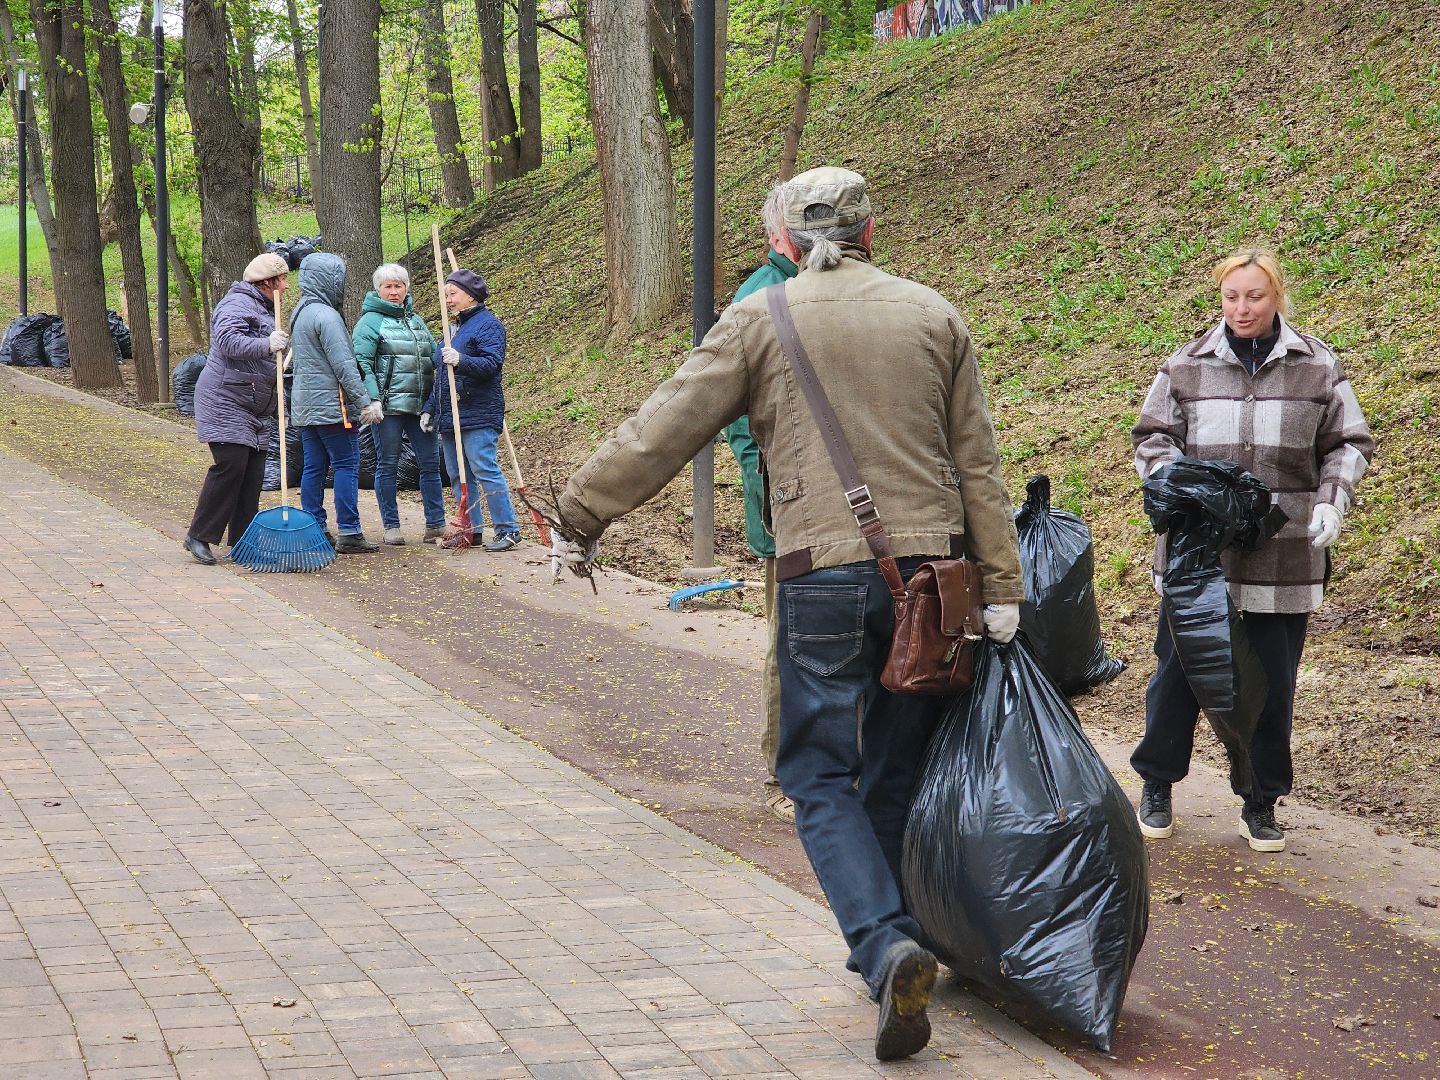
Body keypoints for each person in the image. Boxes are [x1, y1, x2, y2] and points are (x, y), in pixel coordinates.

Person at [549, 168, 1024, 1061]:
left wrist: (580, 514)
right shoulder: (935, 315)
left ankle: (884, 945)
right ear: (871, 231)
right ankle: (896, 938)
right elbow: (979, 466)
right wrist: (1003, 590)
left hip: (820, 576)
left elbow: (665, 425)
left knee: (814, 773)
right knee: (893, 768)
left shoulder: (761, 318)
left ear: (787, 240)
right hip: (934, 580)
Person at [1131, 248, 1373, 852]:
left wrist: (1330, 499)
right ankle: (1158, 783)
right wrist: (1176, 483)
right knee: (1179, 673)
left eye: (1255, 296)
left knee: (1271, 680)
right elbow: (1152, 439)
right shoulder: (1186, 366)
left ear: (1277, 297)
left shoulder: (1317, 365)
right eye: (1232, 296)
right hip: (1197, 558)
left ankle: (1260, 800)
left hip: (1284, 552)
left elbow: (1348, 442)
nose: (1243, 308)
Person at [721, 184, 800, 822]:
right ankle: (783, 778)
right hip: (787, 508)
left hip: (845, 515)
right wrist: (769, 491)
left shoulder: (825, 293)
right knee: (787, 642)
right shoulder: (757, 303)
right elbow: (741, 428)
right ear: (779, 237)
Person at [184, 252, 291, 565]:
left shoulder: (266, 309)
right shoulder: (236, 305)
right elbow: (229, 342)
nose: (285, 286)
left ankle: (243, 542)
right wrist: (266, 344)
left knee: (252, 473)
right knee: (230, 466)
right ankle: (199, 536)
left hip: (254, 406)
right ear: (266, 282)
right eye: (281, 280)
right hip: (225, 399)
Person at [289, 251, 384, 554]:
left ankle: (315, 527)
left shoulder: (300, 312)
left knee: (313, 468)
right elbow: (344, 365)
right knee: (346, 464)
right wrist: (364, 402)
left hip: (305, 407)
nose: (342, 284)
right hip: (333, 407)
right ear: (328, 280)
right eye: (339, 278)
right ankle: (350, 531)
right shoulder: (327, 317)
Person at [420, 267, 520, 551]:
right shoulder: (455, 329)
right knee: (457, 473)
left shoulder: (488, 325)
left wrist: (461, 359)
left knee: (484, 468)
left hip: (478, 413)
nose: (448, 300)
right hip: (450, 415)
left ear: (471, 297)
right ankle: (472, 529)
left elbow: (491, 365)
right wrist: (430, 409)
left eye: (453, 294)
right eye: (447, 295)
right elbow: (443, 378)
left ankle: (508, 529)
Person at [353, 263, 446, 545]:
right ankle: (391, 526)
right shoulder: (370, 322)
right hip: (389, 408)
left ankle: (436, 524)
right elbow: (362, 363)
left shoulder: (415, 320)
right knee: (388, 464)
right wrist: (372, 399)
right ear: (378, 290)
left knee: (430, 464)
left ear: (406, 289)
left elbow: (433, 355)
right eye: (388, 287)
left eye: (399, 286)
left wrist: (449, 354)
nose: (394, 292)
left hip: (420, 406)